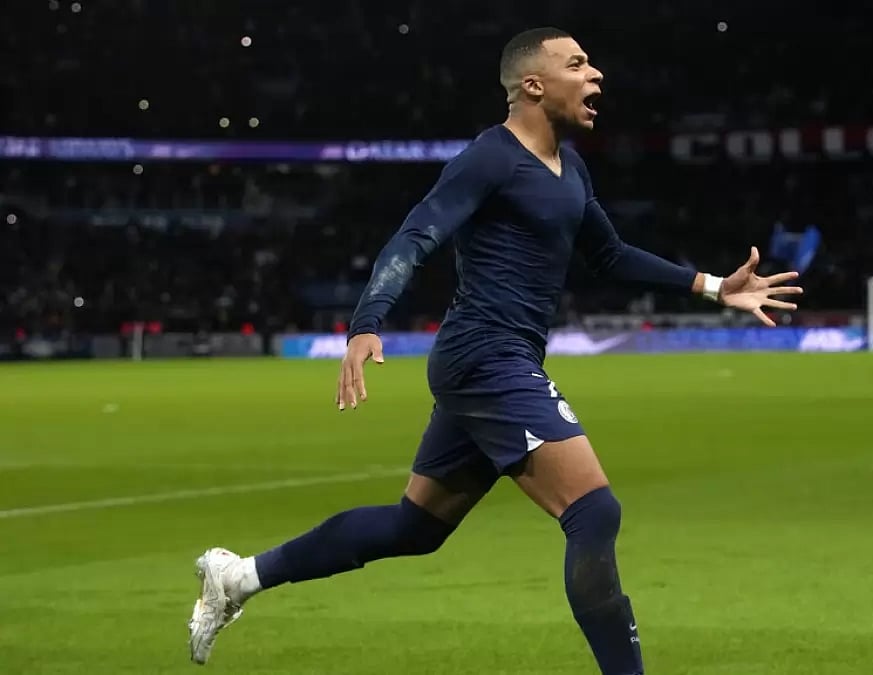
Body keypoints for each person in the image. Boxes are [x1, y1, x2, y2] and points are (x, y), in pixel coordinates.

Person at [187, 27, 804, 674]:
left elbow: (609, 254)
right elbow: (415, 235)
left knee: (415, 527)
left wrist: (711, 285)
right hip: (486, 355)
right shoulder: (491, 157)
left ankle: (239, 576)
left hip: (492, 362)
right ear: (533, 85)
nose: (596, 75)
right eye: (578, 64)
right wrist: (367, 321)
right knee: (594, 510)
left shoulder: (570, 169)